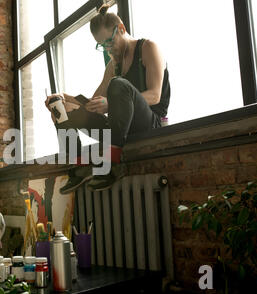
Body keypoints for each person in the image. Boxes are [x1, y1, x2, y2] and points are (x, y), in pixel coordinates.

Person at [45, 4, 170, 194]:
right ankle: (79, 168)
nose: (107, 49)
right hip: (121, 128)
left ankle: (114, 164)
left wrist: (110, 104)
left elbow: (154, 95)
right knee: (61, 110)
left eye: (109, 42)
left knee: (117, 84)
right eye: (101, 45)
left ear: (121, 29)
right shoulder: (113, 65)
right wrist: (63, 99)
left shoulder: (148, 48)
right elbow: (93, 104)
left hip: (150, 122)